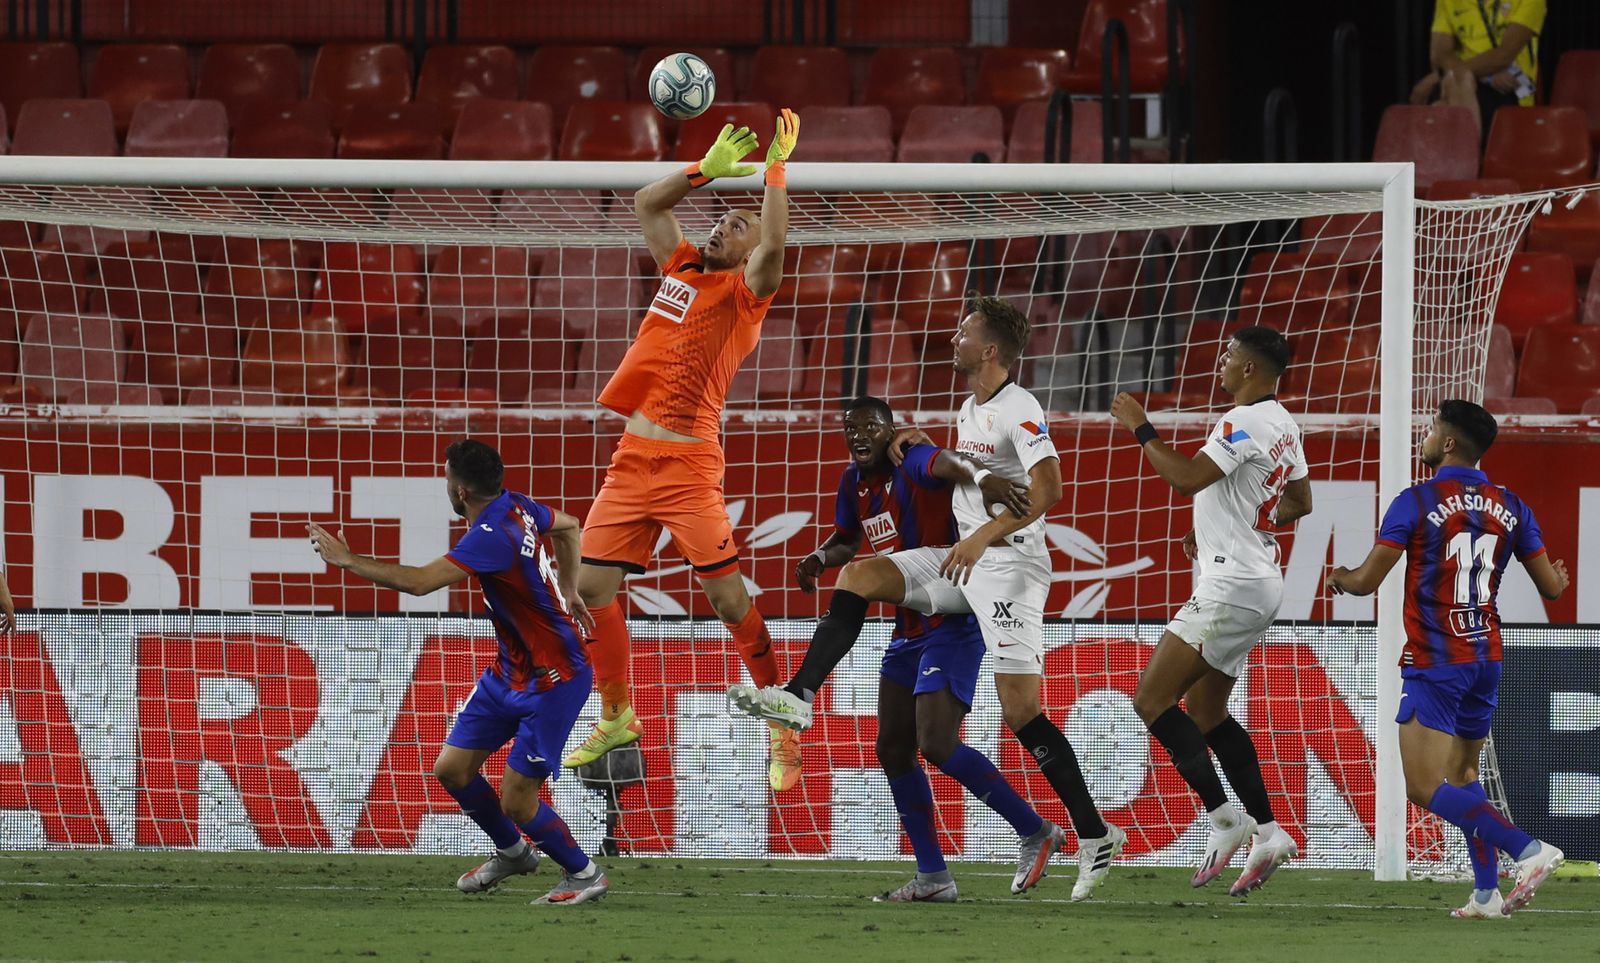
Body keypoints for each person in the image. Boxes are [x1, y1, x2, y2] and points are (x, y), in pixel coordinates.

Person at [733, 295, 1125, 899]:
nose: (953, 338)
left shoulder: (1018, 407)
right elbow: (960, 465)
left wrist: (984, 535)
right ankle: (799, 696)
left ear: (990, 349)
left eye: (965, 331)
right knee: (859, 577)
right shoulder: (971, 407)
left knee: (1020, 710)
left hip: (1009, 567)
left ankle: (1094, 832)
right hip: (961, 565)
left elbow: (1049, 486)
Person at [565, 110, 803, 793]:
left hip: (690, 466)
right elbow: (647, 201)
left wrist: (773, 173)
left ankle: (780, 719)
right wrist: (706, 168)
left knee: (728, 600)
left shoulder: (743, 297)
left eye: (738, 222)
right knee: (589, 588)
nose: (724, 224)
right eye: (722, 217)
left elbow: (776, 245)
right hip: (631, 459)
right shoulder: (680, 266)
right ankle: (617, 717)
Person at [307, 439, 609, 906]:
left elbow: (419, 583)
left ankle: (583, 873)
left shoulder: (492, 535)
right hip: (508, 672)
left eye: (446, 477)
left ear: (461, 490)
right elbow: (569, 526)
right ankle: (512, 853)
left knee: (517, 800)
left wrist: (348, 561)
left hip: (556, 679)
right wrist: (568, 588)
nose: (445, 485)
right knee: (452, 769)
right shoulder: (519, 506)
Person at [1327, 400, 1568, 917]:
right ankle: (1485, 893)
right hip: (1486, 657)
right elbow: (1551, 587)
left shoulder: (1416, 500)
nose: (1427, 435)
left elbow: (1367, 580)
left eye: (1433, 428)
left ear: (1450, 442)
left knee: (1421, 785)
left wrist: (1340, 577)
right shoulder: (1512, 504)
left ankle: (1528, 849)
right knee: (1462, 777)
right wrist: (1560, 578)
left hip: (1437, 660)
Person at [1109, 325, 1312, 895]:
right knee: (1206, 711)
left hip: (1230, 586)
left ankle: (1226, 820)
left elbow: (1186, 478)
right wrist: (1235, 529)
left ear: (1251, 368)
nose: (1220, 363)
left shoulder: (1240, 421)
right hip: (1257, 579)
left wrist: (1140, 427)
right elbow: (1300, 500)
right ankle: (1270, 831)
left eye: (1228, 356)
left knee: (1150, 698)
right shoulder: (1284, 423)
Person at [1409, 0, 1545, 140]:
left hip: (1510, 89)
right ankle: (1470, 153)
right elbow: (1440, 54)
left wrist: (1440, 76)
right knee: (1457, 87)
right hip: (1465, 82)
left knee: (1440, 108)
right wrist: (1484, 76)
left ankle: (1462, 154)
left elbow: (1504, 55)